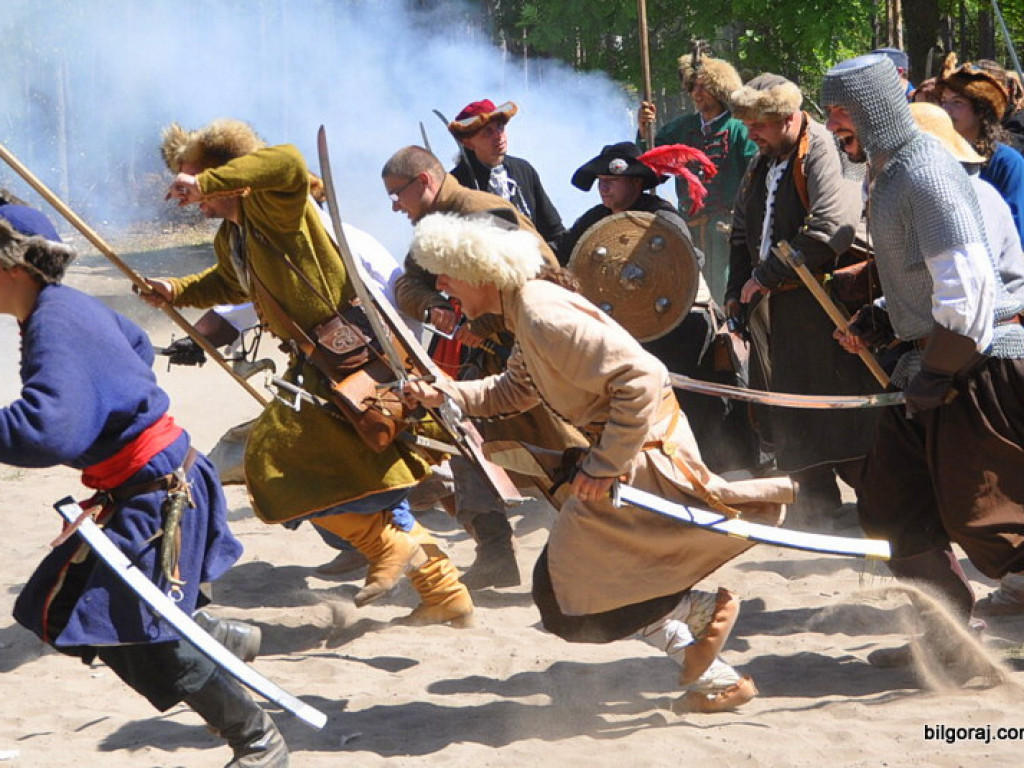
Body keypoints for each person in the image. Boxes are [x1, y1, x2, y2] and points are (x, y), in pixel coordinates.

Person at [402, 212, 795, 711]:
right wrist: (447, 392)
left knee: (567, 593)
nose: (440, 284)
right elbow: (516, 388)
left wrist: (604, 464)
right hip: (625, 454)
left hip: (644, 456)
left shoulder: (541, 314)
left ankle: (702, 614)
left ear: (480, 272)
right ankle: (715, 675)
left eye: (447, 272)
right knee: (582, 591)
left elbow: (643, 378)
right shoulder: (524, 311)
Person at [140, 120, 473, 627]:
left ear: (230, 174)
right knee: (363, 477)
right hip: (322, 364)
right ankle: (443, 591)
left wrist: (206, 180)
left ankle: (391, 548)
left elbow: (291, 161)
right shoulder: (234, 235)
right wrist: (175, 289)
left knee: (273, 466)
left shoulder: (277, 206)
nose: (192, 195)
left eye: (196, 180)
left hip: (354, 357)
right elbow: (228, 284)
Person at [0, 219, 288, 766]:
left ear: (12, 265)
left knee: (136, 632)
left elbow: (50, 428)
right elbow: (134, 345)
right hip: (150, 479)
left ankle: (257, 741)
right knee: (58, 607)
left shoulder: (53, 323)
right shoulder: (63, 306)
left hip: (159, 491)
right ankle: (214, 634)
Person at [822, 54, 1024, 646]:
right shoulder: (889, 175)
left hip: (977, 364)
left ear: (874, 109)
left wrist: (937, 371)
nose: (834, 126)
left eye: (842, 113)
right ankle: (950, 642)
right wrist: (884, 319)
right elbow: (924, 279)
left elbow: (972, 287)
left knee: (992, 522)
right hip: (933, 362)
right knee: (889, 508)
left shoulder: (926, 172)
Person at [384, 144, 582, 591]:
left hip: (533, 358)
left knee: (565, 459)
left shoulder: (484, 212)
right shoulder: (430, 226)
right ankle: (494, 554)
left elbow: (544, 279)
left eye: (398, 193)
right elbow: (408, 284)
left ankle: (610, 547)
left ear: (424, 183)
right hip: (488, 363)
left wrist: (489, 321)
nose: (395, 205)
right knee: (465, 443)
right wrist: (437, 308)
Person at [724, 73, 879, 523]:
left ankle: (878, 504)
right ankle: (817, 506)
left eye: (759, 125)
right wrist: (738, 289)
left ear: (788, 118)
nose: (751, 134)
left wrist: (767, 275)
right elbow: (739, 233)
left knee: (837, 402)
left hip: (825, 304)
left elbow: (832, 230)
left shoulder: (825, 150)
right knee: (788, 408)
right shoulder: (762, 162)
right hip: (777, 306)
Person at [556, 141, 758, 472]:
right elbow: (561, 256)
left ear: (635, 182)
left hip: (683, 325)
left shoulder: (662, 216)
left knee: (693, 403)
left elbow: (686, 264)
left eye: (611, 180)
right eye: (600, 181)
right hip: (628, 333)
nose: (602, 187)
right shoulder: (595, 218)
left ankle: (717, 471)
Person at [637, 51, 758, 303]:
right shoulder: (681, 128)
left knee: (727, 294)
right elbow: (651, 164)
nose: (697, 93)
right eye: (693, 87)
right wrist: (643, 130)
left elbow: (756, 175)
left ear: (720, 89)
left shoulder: (739, 128)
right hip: (690, 230)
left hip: (728, 231)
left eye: (704, 87)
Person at [447, 99, 565, 245]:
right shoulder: (455, 185)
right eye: (487, 132)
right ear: (469, 143)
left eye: (500, 127)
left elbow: (553, 231)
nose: (498, 135)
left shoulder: (523, 169)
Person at [939, 53, 1024, 242]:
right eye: (944, 101)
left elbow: (1015, 236)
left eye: (957, 103)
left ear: (981, 110)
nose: (946, 110)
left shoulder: (1007, 163)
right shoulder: (938, 157)